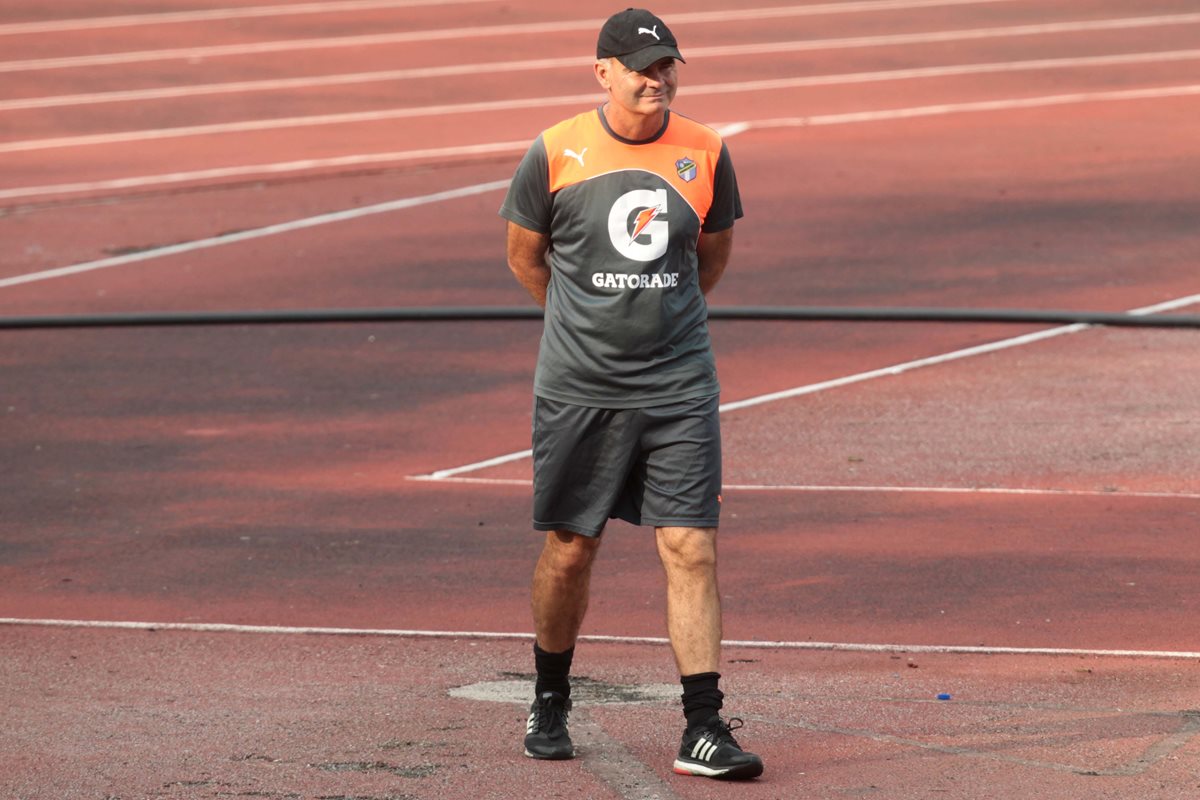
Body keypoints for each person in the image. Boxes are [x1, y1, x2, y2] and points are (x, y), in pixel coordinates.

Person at [499, 7, 762, 780]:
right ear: (603, 72)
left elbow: (709, 261)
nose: (658, 80)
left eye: (667, 66)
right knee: (572, 548)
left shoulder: (707, 150)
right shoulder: (554, 151)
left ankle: (703, 726)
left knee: (691, 545)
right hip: (580, 386)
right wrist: (589, 327)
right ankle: (550, 698)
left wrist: (657, 330)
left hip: (679, 383)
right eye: (642, 67)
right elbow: (526, 259)